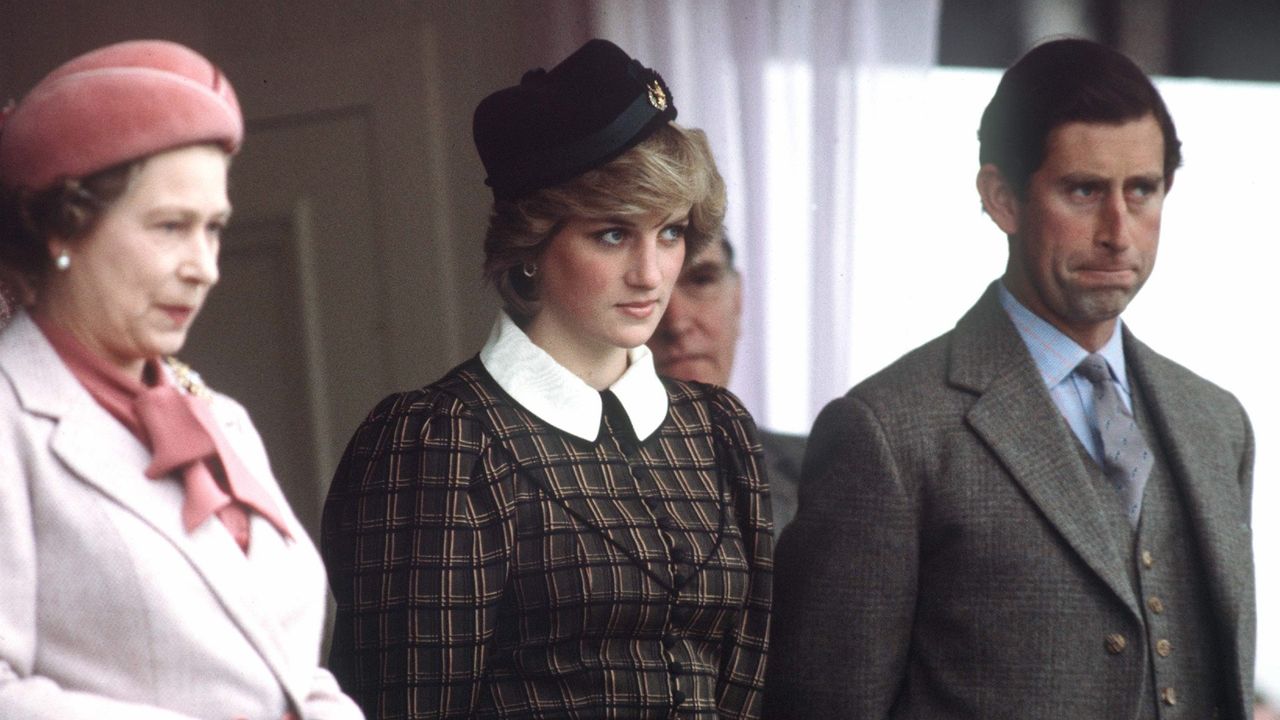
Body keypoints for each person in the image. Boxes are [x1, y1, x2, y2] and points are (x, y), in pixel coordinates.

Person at [767, 38, 1255, 719]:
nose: (1119, 230)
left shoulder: (1217, 423)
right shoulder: (888, 431)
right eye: (1083, 190)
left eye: (1141, 191)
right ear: (1001, 199)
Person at [320, 39, 772, 719]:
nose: (651, 275)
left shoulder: (717, 430)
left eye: (671, 233)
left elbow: (746, 686)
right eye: (614, 235)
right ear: (530, 248)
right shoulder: (442, 441)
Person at [0, 40, 362, 720]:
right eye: (171, 227)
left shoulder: (218, 417)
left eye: (214, 229)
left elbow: (287, 669)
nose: (206, 268)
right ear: (63, 229)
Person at [648, 235, 806, 532]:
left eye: (701, 280)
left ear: (738, 298)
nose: (677, 322)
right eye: (645, 292)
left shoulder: (819, 473)